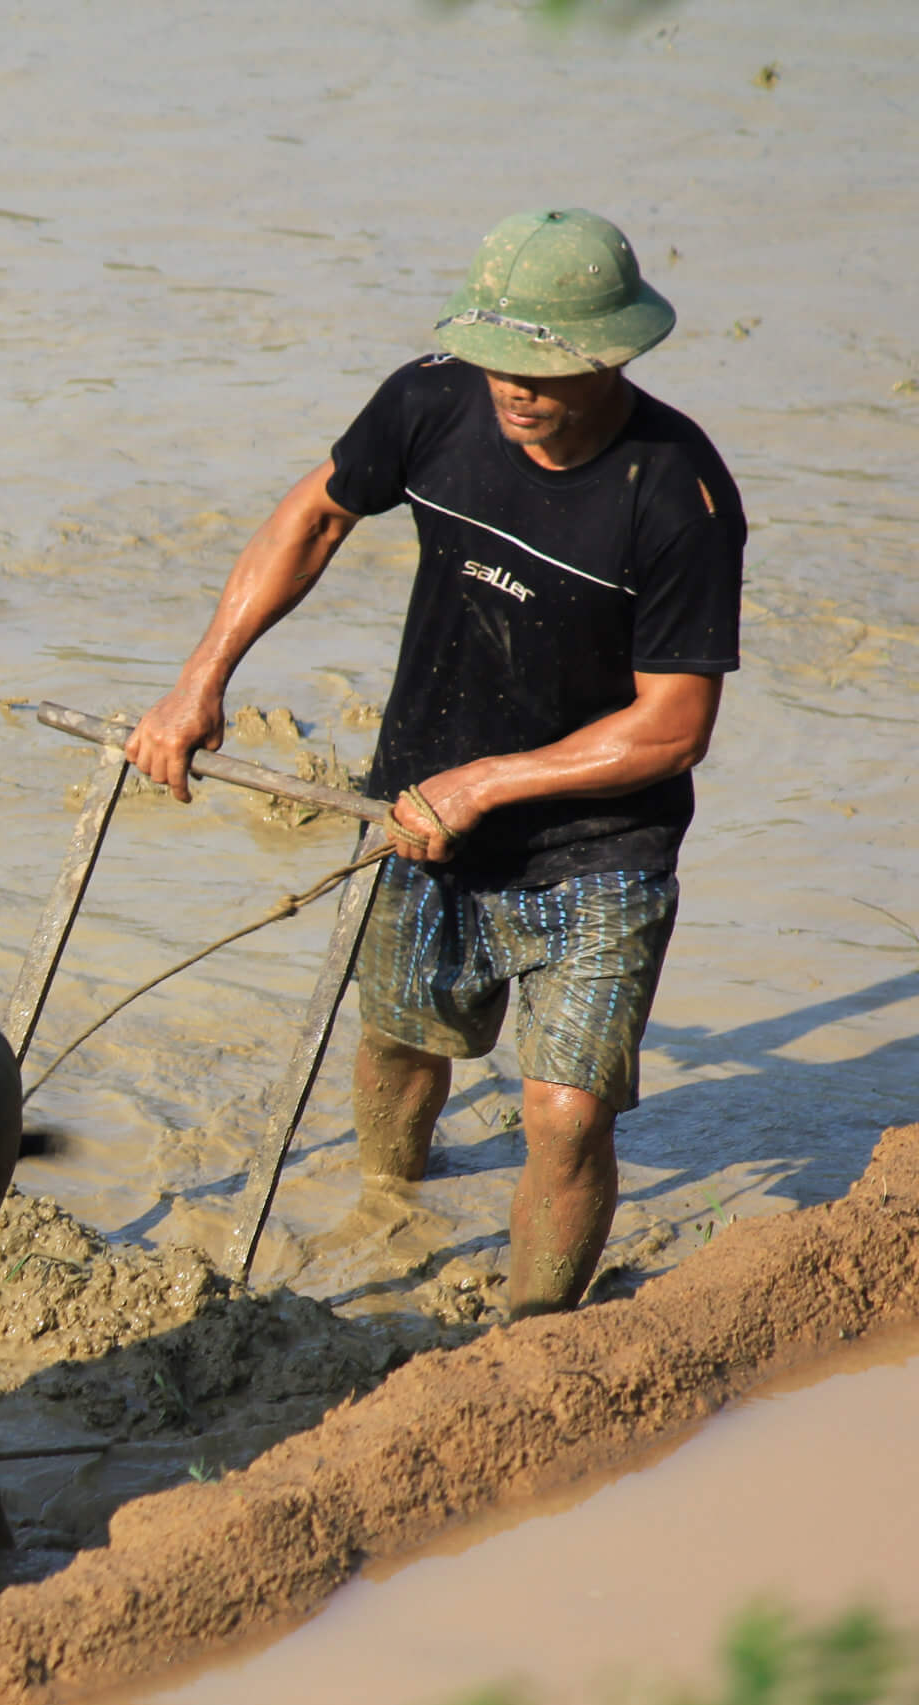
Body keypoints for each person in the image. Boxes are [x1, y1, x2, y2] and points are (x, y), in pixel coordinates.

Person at [124, 208, 744, 1317]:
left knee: (563, 1113)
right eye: (500, 359)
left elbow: (672, 727)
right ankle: (388, 1216)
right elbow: (314, 517)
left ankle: (530, 1336)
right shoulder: (430, 397)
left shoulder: (678, 495)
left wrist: (490, 782)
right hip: (416, 805)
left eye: (544, 369)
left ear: (612, 356)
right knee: (403, 1043)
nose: (514, 389)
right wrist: (199, 679)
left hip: (595, 847)